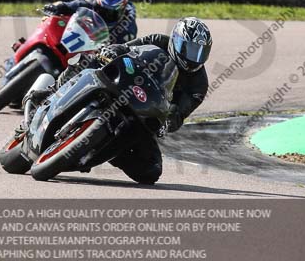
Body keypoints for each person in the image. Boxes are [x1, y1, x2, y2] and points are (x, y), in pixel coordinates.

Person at [26, 16, 212, 185]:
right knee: (89, 60)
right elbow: (128, 48)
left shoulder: (199, 86)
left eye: (199, 52)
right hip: (124, 83)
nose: (193, 57)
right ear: (176, 40)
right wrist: (113, 50)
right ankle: (51, 92)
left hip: (146, 111)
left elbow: (180, 114)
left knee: (151, 171)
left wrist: (169, 121)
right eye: (190, 49)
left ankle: (107, 150)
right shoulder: (159, 41)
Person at [43, 0, 137, 43]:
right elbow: (65, 5)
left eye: (112, 14)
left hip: (108, 43)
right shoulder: (90, 1)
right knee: (51, 19)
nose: (106, 16)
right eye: (102, 10)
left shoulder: (128, 28)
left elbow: (124, 52)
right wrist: (54, 8)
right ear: (96, 3)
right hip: (83, 36)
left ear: (122, 11)